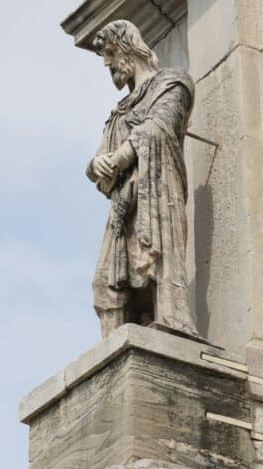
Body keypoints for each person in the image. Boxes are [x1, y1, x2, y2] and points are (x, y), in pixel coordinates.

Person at [87, 20, 197, 338]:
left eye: (109, 53)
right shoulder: (120, 110)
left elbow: (159, 126)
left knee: (157, 270)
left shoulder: (172, 83)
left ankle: (169, 330)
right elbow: (99, 159)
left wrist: (120, 158)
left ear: (127, 48)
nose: (107, 63)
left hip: (158, 196)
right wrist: (98, 165)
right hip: (123, 208)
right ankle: (116, 347)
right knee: (105, 285)